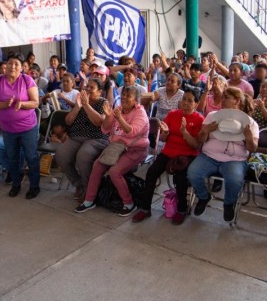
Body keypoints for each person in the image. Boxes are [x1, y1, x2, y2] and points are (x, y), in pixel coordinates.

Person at [75, 86, 149, 216]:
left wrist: (119, 118)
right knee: (97, 165)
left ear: (136, 100)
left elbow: (131, 132)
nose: (124, 97)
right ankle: (89, 200)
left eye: (128, 95)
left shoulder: (140, 113)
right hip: (116, 147)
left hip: (135, 149)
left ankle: (128, 203)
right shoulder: (118, 109)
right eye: (123, 94)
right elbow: (105, 129)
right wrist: (109, 116)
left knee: (115, 171)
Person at [132, 90, 203, 224]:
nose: (186, 103)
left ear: (196, 104)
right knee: (151, 172)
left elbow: (195, 146)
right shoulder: (173, 114)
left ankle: (181, 209)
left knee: (181, 178)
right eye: (184, 99)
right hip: (169, 152)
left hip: (186, 155)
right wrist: (164, 133)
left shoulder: (199, 119)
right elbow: (164, 139)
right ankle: (145, 209)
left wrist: (185, 133)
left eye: (190, 101)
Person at [188, 87, 259, 223]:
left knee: (234, 179)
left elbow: (252, 148)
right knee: (193, 173)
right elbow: (200, 140)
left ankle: (229, 203)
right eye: (223, 97)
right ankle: (203, 197)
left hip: (235, 159)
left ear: (236, 101)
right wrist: (205, 131)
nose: (222, 100)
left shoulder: (249, 122)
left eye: (226, 97)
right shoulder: (212, 116)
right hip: (209, 155)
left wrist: (249, 138)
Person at [0, 55, 41, 199]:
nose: (13, 67)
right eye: (10, 63)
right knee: (12, 158)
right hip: (7, 129)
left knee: (31, 157)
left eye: (16, 64)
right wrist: (5, 104)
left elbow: (35, 102)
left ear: (22, 67)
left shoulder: (26, 80)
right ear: (6, 65)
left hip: (28, 127)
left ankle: (34, 186)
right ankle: (16, 184)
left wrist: (21, 104)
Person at [55, 77, 110, 200]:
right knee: (61, 155)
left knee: (83, 156)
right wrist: (77, 107)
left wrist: (86, 105)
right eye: (87, 86)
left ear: (99, 91)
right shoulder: (80, 101)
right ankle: (78, 184)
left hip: (96, 138)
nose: (88, 89)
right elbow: (68, 122)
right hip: (77, 137)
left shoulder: (103, 102)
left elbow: (98, 122)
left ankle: (88, 188)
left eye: (92, 87)